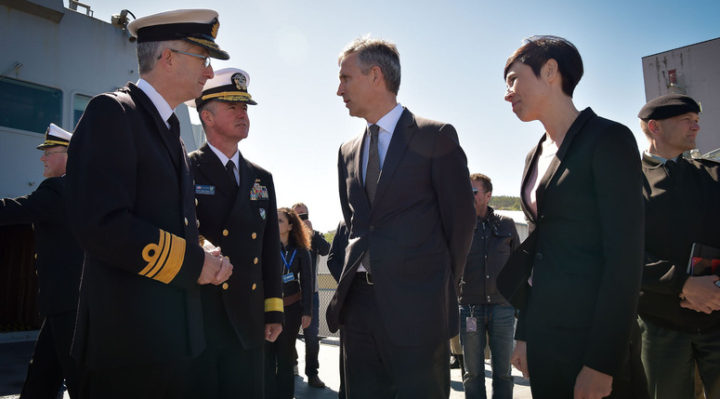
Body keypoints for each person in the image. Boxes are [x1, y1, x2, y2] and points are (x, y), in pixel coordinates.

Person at [64, 9, 233, 398]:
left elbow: (164, 217)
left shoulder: (168, 129)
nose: (209, 73)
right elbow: (102, 225)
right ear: (168, 57)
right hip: (128, 350)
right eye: (203, 59)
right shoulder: (113, 113)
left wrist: (202, 248)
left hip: (169, 343)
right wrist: (195, 264)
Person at [498, 35, 647, 399]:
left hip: (594, 343)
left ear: (550, 71)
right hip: (546, 341)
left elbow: (625, 260)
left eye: (514, 79)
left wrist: (602, 363)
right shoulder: (534, 155)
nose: (507, 93)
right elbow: (537, 254)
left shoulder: (608, 139)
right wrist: (524, 334)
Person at [329, 37, 476, 398]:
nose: (339, 90)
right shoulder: (347, 151)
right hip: (358, 311)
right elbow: (353, 223)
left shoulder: (435, 136)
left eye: (346, 78)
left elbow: (461, 222)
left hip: (418, 310)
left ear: (375, 75)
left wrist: (437, 285)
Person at [185, 67, 284, 398]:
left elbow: (270, 251)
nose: (243, 114)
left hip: (249, 321)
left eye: (245, 108)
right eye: (233, 107)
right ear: (207, 117)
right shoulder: (185, 169)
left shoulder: (261, 178)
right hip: (201, 318)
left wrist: (273, 311)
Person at [635, 94, 720, 399]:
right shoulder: (627, 182)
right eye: (687, 120)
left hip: (717, 316)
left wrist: (715, 288)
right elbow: (621, 252)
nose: (695, 127)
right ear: (654, 127)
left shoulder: (712, 175)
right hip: (661, 326)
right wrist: (683, 285)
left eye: (697, 120)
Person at [0, 124, 82, 398]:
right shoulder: (80, 190)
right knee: (42, 376)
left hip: (65, 303)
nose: (42, 158)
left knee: (81, 381)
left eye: (50, 152)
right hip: (67, 302)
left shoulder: (56, 189)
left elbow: (17, 210)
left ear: (69, 156)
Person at [459, 173, 520, 399]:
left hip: (503, 309)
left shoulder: (507, 225)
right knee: (473, 373)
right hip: (470, 309)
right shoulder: (460, 227)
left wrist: (518, 303)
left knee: (503, 373)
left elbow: (518, 266)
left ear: (487, 195)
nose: (469, 196)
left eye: (474, 192)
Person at [265, 207, 313, 399]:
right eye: (273, 220)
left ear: (291, 225)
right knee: (267, 358)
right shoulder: (266, 248)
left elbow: (308, 283)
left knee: (285, 358)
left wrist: (307, 312)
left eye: (280, 221)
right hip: (268, 310)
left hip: (292, 310)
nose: (275, 224)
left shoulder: (301, 251)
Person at [291, 202, 330, 388]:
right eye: (297, 216)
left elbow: (327, 250)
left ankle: (312, 373)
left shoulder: (316, 237)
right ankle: (292, 363)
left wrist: (312, 234)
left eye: (304, 215)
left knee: (312, 337)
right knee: (288, 334)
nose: (302, 220)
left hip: (311, 296)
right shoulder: (287, 237)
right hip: (290, 296)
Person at [327, 220, 349, 399]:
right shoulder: (344, 222)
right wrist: (349, 281)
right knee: (348, 359)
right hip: (352, 301)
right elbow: (332, 259)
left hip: (389, 303)